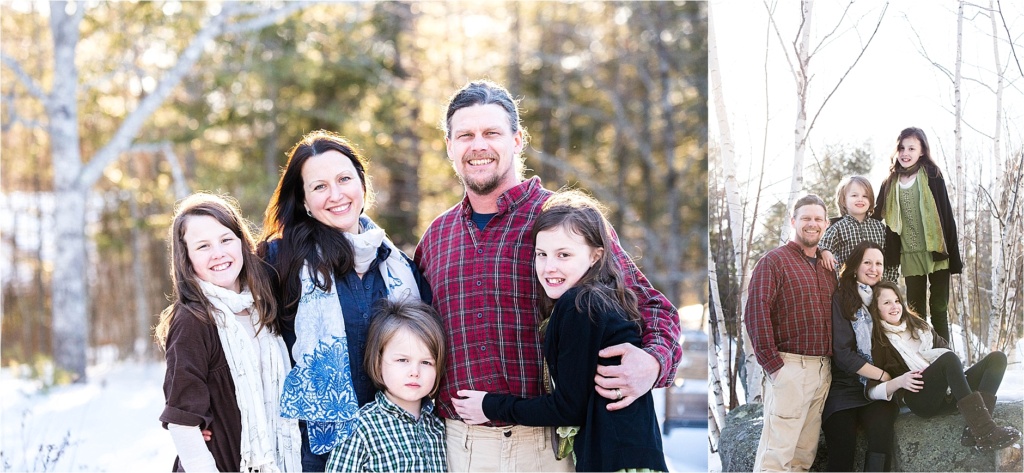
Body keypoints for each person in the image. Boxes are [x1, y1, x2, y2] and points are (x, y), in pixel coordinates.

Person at [413, 79, 681, 471]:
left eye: (491, 133)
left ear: (518, 140)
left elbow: (654, 308)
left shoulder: (565, 222)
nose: (478, 145)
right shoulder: (437, 237)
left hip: (550, 446)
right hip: (459, 446)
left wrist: (653, 363)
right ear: (450, 146)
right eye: (465, 135)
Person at [452, 190, 668, 472]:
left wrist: (491, 406)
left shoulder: (579, 305)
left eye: (564, 255)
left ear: (595, 256)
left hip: (617, 462)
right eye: (541, 254)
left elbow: (568, 407)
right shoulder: (602, 298)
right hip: (632, 456)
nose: (549, 267)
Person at [258, 130, 432, 471]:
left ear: (362, 186)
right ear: (304, 201)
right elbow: (230, 326)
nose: (336, 194)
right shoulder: (279, 262)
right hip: (320, 455)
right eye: (319, 186)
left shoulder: (397, 265)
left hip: (396, 450)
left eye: (344, 179)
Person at [157, 193, 301, 472]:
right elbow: (183, 422)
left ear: (242, 242)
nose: (218, 253)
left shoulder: (264, 304)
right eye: (203, 246)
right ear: (186, 258)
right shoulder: (193, 321)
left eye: (225, 240)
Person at [867, 281, 1020, 452]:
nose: (894, 306)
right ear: (876, 308)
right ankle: (985, 431)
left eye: (897, 301)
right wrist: (899, 382)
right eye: (886, 303)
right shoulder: (879, 342)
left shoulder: (920, 327)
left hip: (949, 392)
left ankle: (973, 431)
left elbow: (947, 356)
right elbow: (871, 391)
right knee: (948, 358)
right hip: (922, 400)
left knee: (997, 359)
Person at [744, 193, 838, 472]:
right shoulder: (774, 261)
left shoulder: (827, 267)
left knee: (802, 457)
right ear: (794, 221)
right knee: (776, 456)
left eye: (818, 219)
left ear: (826, 224)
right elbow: (755, 313)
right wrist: (774, 367)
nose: (812, 224)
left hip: (823, 370)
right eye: (806, 218)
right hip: (790, 368)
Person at [325, 298, 447, 472]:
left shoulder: (439, 426)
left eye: (426, 362)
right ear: (378, 361)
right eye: (402, 360)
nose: (415, 371)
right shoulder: (360, 428)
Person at [872, 127, 961, 342]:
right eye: (902, 148)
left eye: (912, 148)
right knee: (915, 310)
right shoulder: (889, 182)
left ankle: (944, 356)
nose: (905, 153)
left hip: (936, 252)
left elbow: (946, 216)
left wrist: (953, 256)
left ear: (922, 151)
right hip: (909, 255)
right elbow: (875, 214)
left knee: (939, 308)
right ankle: (922, 356)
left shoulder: (933, 176)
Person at [821, 241, 898, 472]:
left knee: (881, 437)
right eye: (867, 262)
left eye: (878, 263)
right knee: (843, 446)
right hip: (845, 388)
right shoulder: (842, 298)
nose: (873, 268)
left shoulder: (885, 297)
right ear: (855, 266)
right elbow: (843, 354)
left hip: (875, 389)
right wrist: (884, 375)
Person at [819, 176, 897, 282]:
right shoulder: (839, 227)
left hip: (876, 286)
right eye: (854, 195)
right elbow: (823, 245)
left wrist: (889, 283)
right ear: (843, 200)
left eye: (865, 196)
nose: (860, 199)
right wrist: (825, 251)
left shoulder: (879, 227)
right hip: (848, 286)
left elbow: (891, 257)